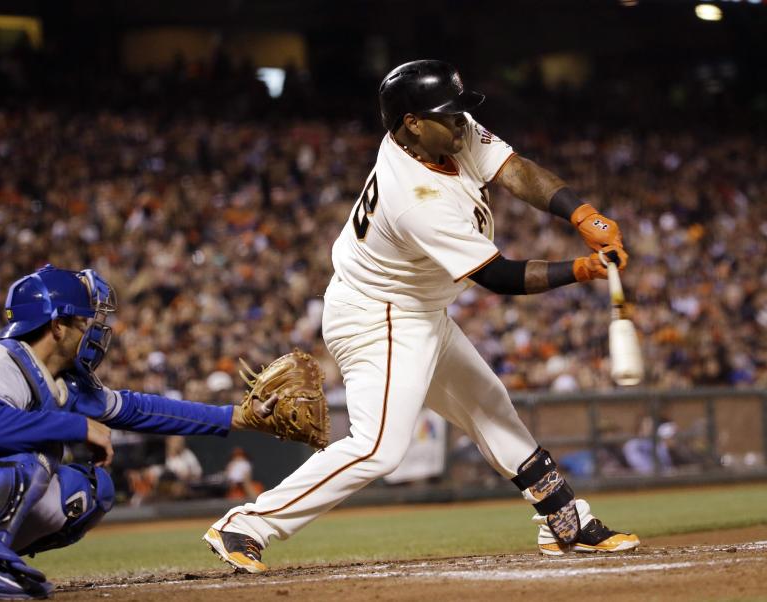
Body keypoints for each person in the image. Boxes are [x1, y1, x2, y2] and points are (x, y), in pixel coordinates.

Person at [204, 59, 640, 572]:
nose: (461, 123)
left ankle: (565, 522)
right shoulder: (414, 195)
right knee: (379, 448)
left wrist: (581, 213)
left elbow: (515, 169)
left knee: (490, 406)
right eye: (448, 115)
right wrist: (583, 268)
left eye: (460, 112)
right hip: (378, 315)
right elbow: (498, 277)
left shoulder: (442, 133)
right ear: (411, 121)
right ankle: (247, 524)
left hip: (419, 309)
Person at [0, 265, 288, 599]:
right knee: (35, 443)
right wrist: (78, 425)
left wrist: (237, 417)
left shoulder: (59, 381)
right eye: (84, 322)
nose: (92, 331)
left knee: (90, 491)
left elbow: (138, 409)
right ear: (57, 326)